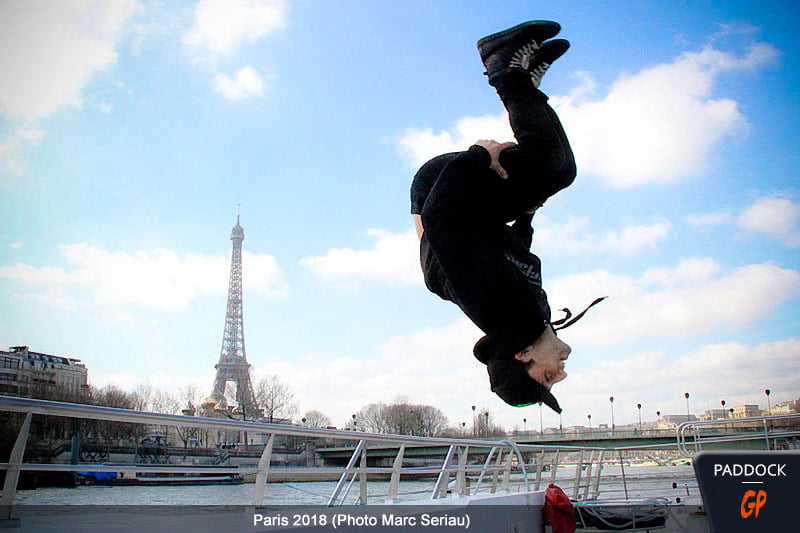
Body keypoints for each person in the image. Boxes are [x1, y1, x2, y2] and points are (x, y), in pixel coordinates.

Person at [411, 21, 602, 413]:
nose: (562, 373)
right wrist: (526, 216)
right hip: (470, 207)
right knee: (553, 170)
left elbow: (439, 219)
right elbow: (512, 256)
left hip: (445, 190)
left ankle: (506, 71)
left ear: (523, 355)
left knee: (555, 167)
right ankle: (523, 83)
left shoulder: (498, 308)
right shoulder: (530, 315)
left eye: (547, 376)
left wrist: (480, 155)